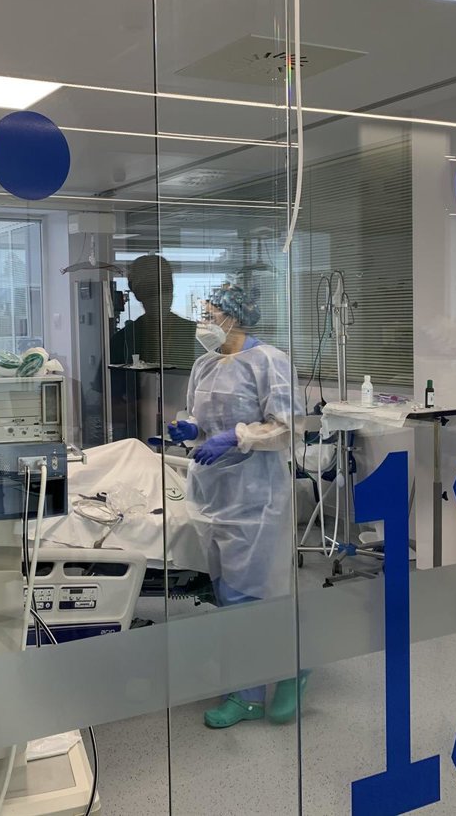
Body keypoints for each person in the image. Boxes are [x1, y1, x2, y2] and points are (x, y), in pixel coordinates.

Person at [166, 282, 306, 729]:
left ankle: (258, 689)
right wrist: (191, 430)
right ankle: (280, 669)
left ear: (235, 317)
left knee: (251, 594)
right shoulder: (205, 363)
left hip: (256, 495)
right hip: (212, 491)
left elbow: (288, 428)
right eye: (202, 314)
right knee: (228, 593)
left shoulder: (270, 362)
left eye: (210, 314)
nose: (203, 323)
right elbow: (198, 417)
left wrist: (237, 436)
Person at [110, 254, 202, 369]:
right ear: (137, 293)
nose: (160, 296)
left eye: (165, 287)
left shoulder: (195, 335)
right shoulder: (122, 341)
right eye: (151, 290)